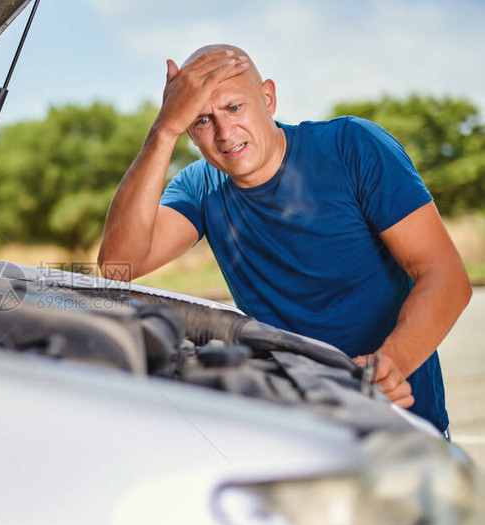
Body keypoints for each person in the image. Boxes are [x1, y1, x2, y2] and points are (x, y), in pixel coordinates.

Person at [97, 44, 471, 433]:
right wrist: (163, 130)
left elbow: (444, 275)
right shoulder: (199, 187)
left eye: (234, 108)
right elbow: (117, 265)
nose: (225, 133)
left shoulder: (352, 146)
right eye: (202, 120)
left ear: (268, 97)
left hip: (398, 425)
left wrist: (390, 365)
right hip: (292, 431)